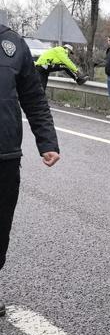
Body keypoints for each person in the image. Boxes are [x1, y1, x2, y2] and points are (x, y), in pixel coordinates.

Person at [0, 20, 60, 318]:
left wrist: (47, 141)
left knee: (1, 227)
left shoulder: (13, 45)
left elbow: (34, 98)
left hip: (5, 154)